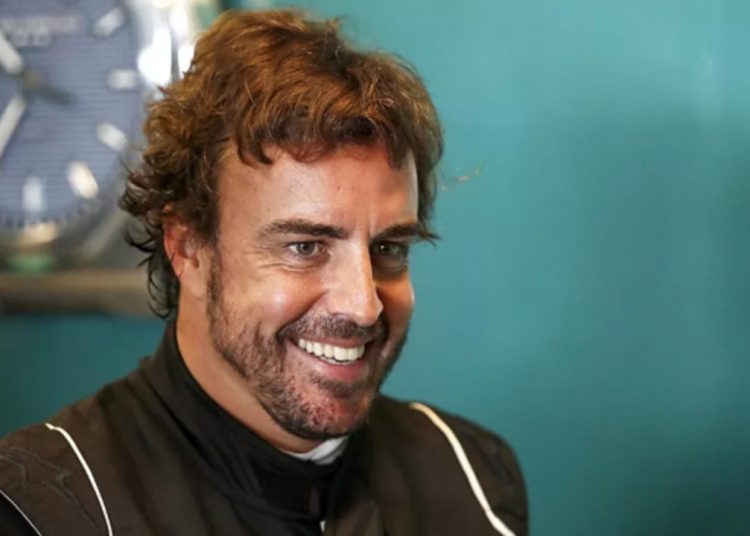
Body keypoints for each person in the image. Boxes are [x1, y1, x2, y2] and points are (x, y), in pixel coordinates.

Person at [0, 9, 528, 536]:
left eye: (388, 248)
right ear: (187, 248)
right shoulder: (42, 509)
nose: (363, 305)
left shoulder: (471, 476)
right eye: (305, 247)